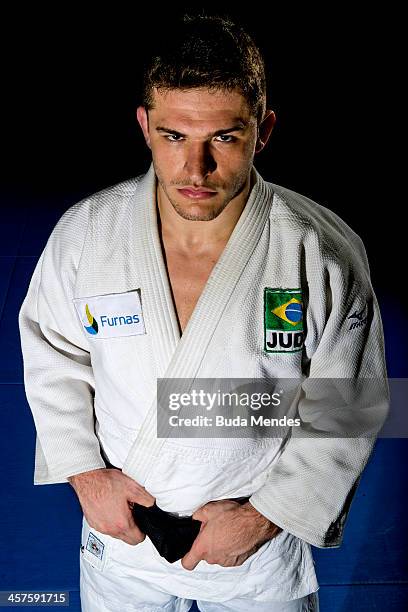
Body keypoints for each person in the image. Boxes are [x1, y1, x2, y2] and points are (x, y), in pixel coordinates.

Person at [18, 12, 389, 612]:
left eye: (223, 137)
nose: (195, 170)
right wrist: (85, 475)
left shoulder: (318, 253)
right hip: (123, 532)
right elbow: (51, 353)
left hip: (252, 544)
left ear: (262, 131)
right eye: (173, 137)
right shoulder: (88, 236)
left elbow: (350, 403)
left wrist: (266, 518)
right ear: (144, 125)